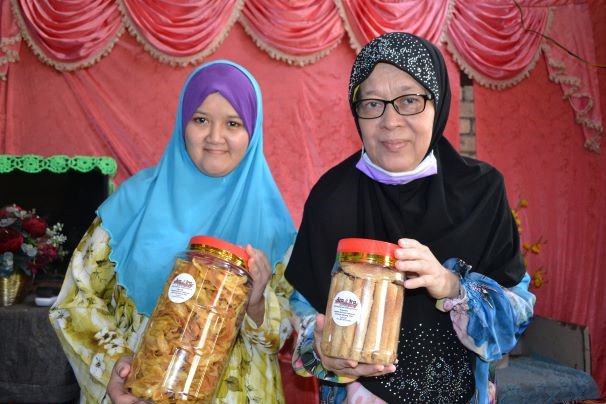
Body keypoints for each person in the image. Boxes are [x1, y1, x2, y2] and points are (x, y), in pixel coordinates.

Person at [284, 32, 536, 404]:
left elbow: (517, 315)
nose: (390, 121)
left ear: (438, 102)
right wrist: (321, 349)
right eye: (372, 103)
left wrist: (453, 287)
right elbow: (303, 310)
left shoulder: (481, 192)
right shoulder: (331, 196)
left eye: (409, 100)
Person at [49, 60, 297, 403]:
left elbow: (282, 332)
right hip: (138, 393)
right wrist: (113, 366)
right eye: (201, 120)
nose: (215, 137)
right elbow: (75, 300)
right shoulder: (134, 202)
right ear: (183, 122)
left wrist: (256, 303)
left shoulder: (273, 224)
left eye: (233, 123)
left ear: (252, 132)